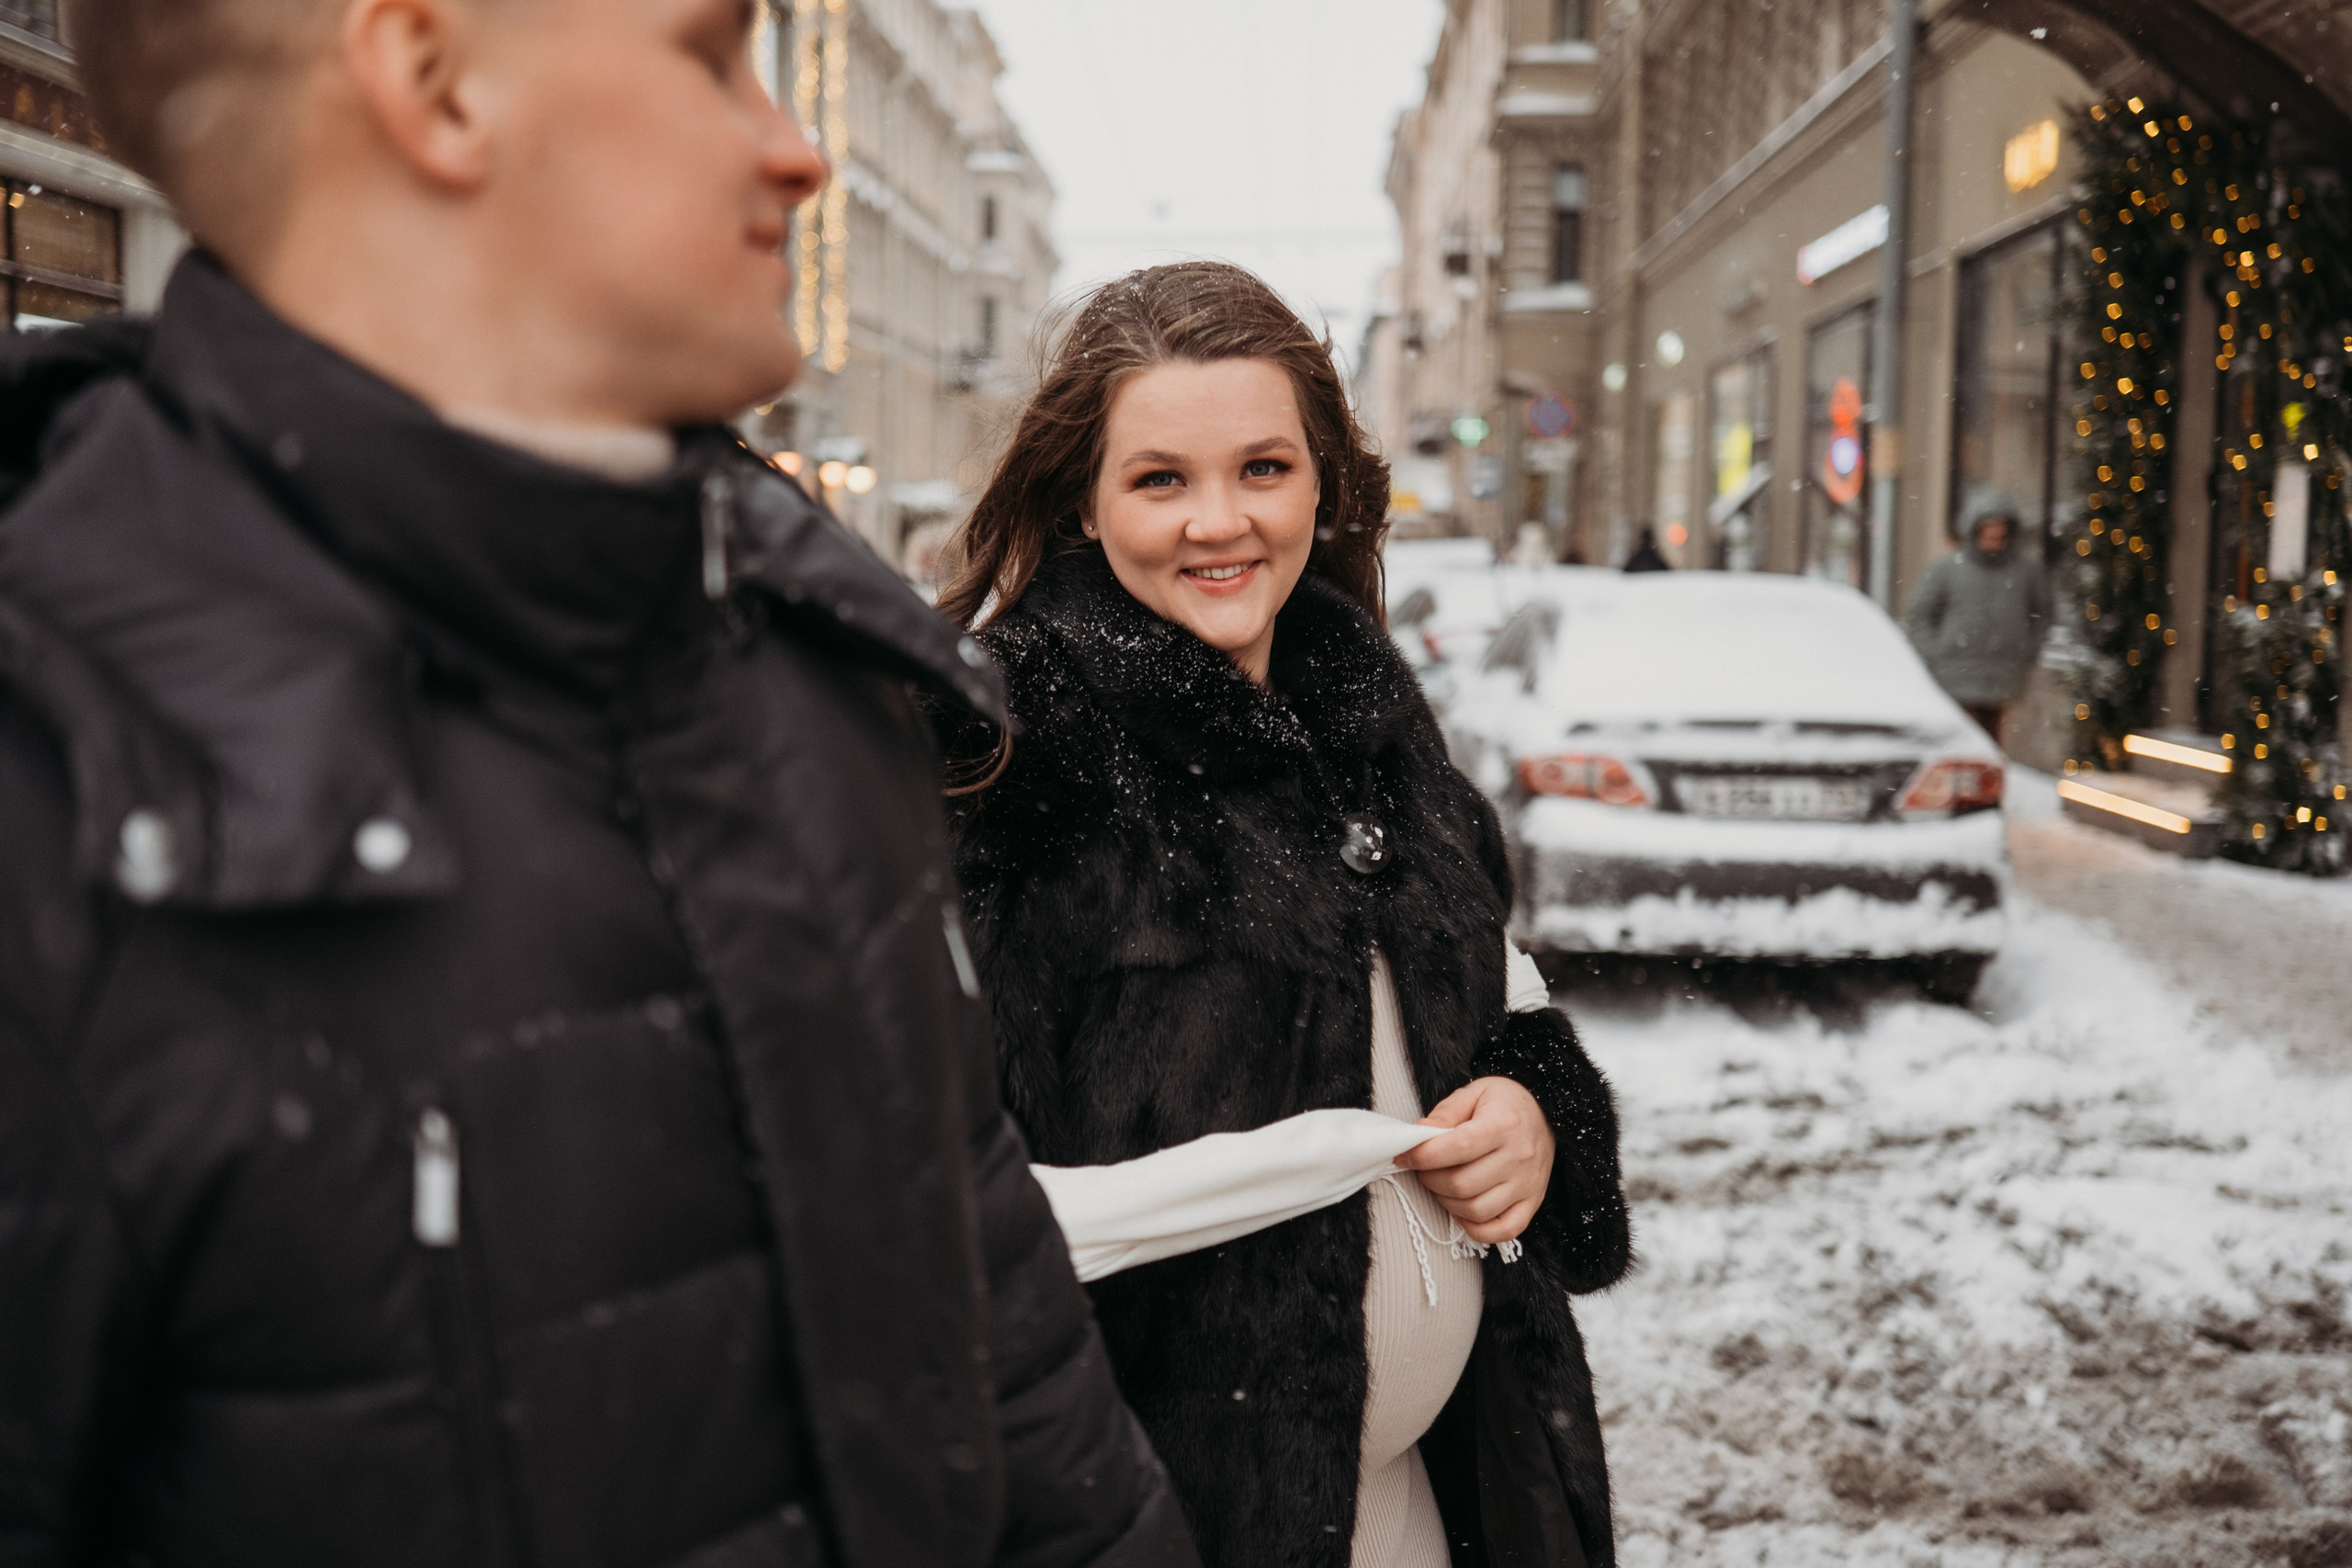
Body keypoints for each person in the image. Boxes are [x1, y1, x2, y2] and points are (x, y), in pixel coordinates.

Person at [0, 2, 1195, 1563]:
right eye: (708, 56)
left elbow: (1015, 1378)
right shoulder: (52, 785)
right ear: (430, 81)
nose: (798, 148)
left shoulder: (810, 669)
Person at [933, 263, 1632, 1568]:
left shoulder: (1369, 710)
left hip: (1439, 1488)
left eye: (1263, 468)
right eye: (1161, 479)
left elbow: (1506, 998)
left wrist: (1539, 1120)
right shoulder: (999, 757)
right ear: (1083, 501)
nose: (1221, 522)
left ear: (1324, 481)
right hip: (1155, 1522)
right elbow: (928, 1213)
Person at [1904, 486, 2053, 742]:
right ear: (1975, 530)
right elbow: (1919, 614)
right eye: (1989, 530)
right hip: (1954, 676)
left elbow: (2044, 614)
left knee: (1991, 745)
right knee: (1958, 743)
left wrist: (2027, 651)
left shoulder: (2026, 571)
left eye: (2000, 531)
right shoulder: (1946, 569)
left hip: (2003, 676)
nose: (1994, 537)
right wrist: (1935, 653)